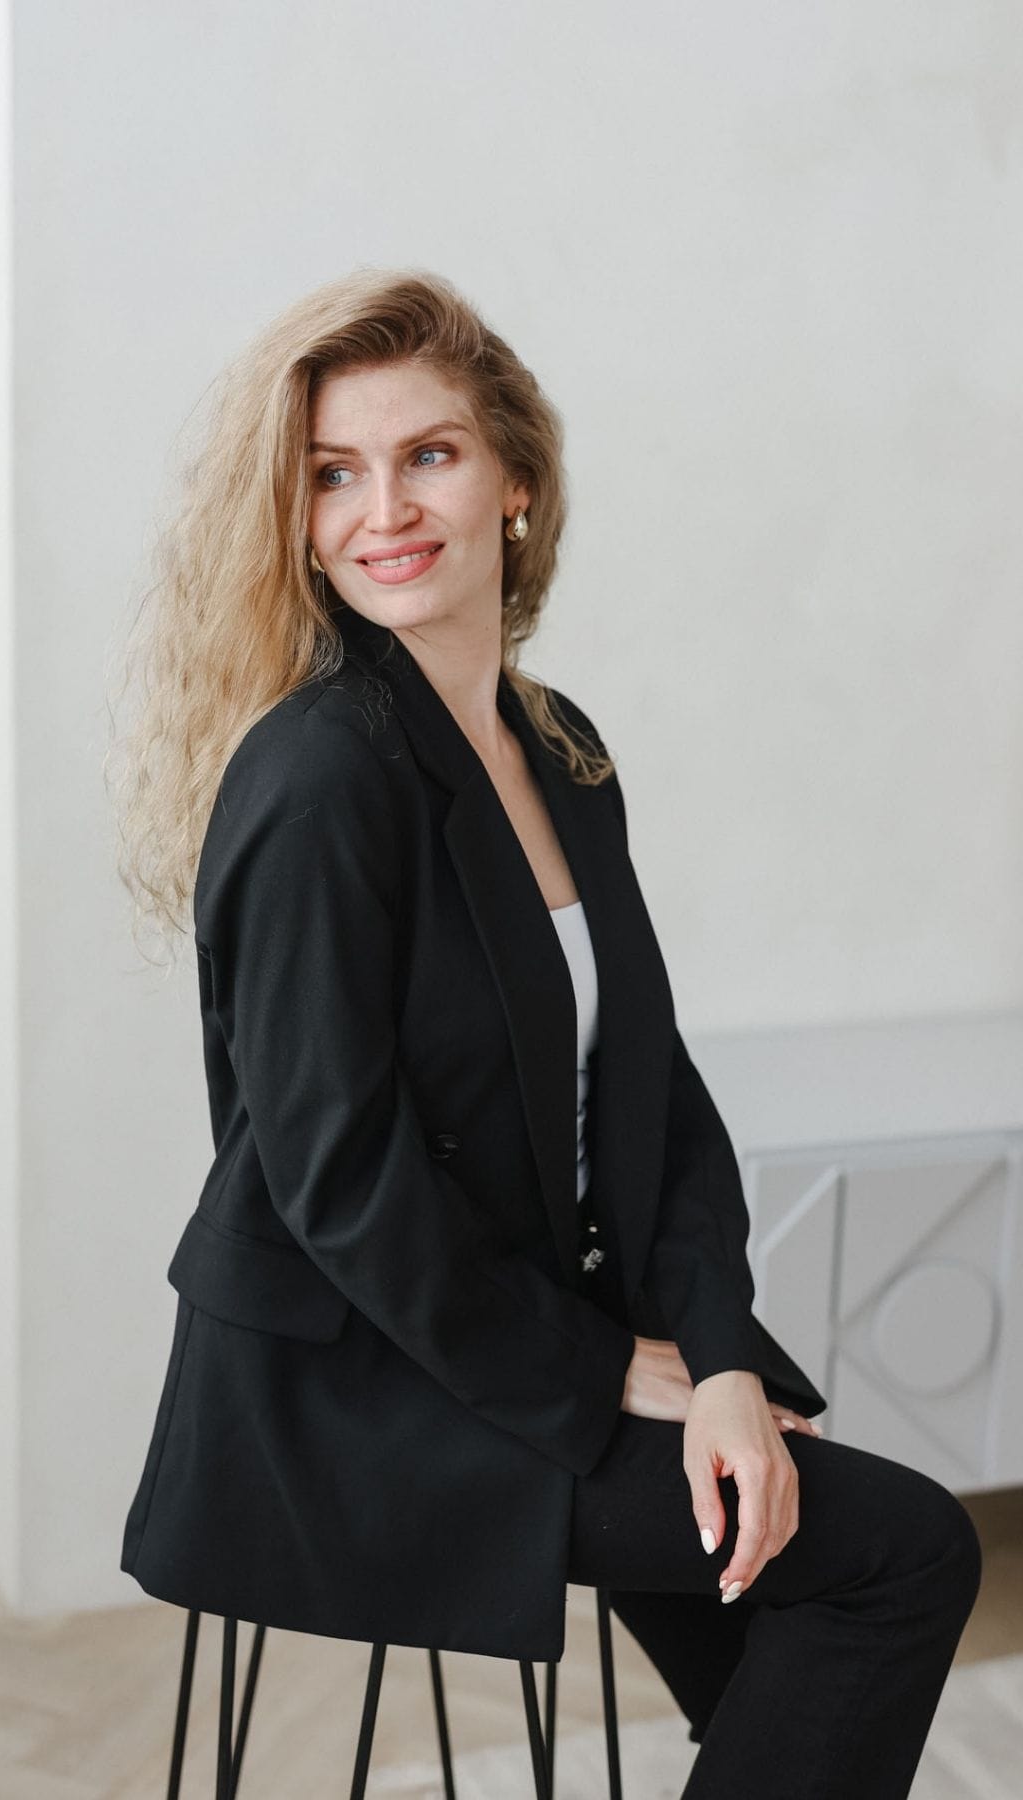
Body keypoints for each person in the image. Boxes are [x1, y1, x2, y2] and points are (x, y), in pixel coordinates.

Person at [110, 268, 981, 1798]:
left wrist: (712, 1356)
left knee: (790, 1586)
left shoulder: (557, 748)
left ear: (515, 480)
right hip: (361, 1390)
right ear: (297, 516)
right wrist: (601, 1374)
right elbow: (341, 1189)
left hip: (526, 1332)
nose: (387, 507)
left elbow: (652, 1090)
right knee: (899, 1558)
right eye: (335, 473)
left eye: (429, 454)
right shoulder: (318, 780)